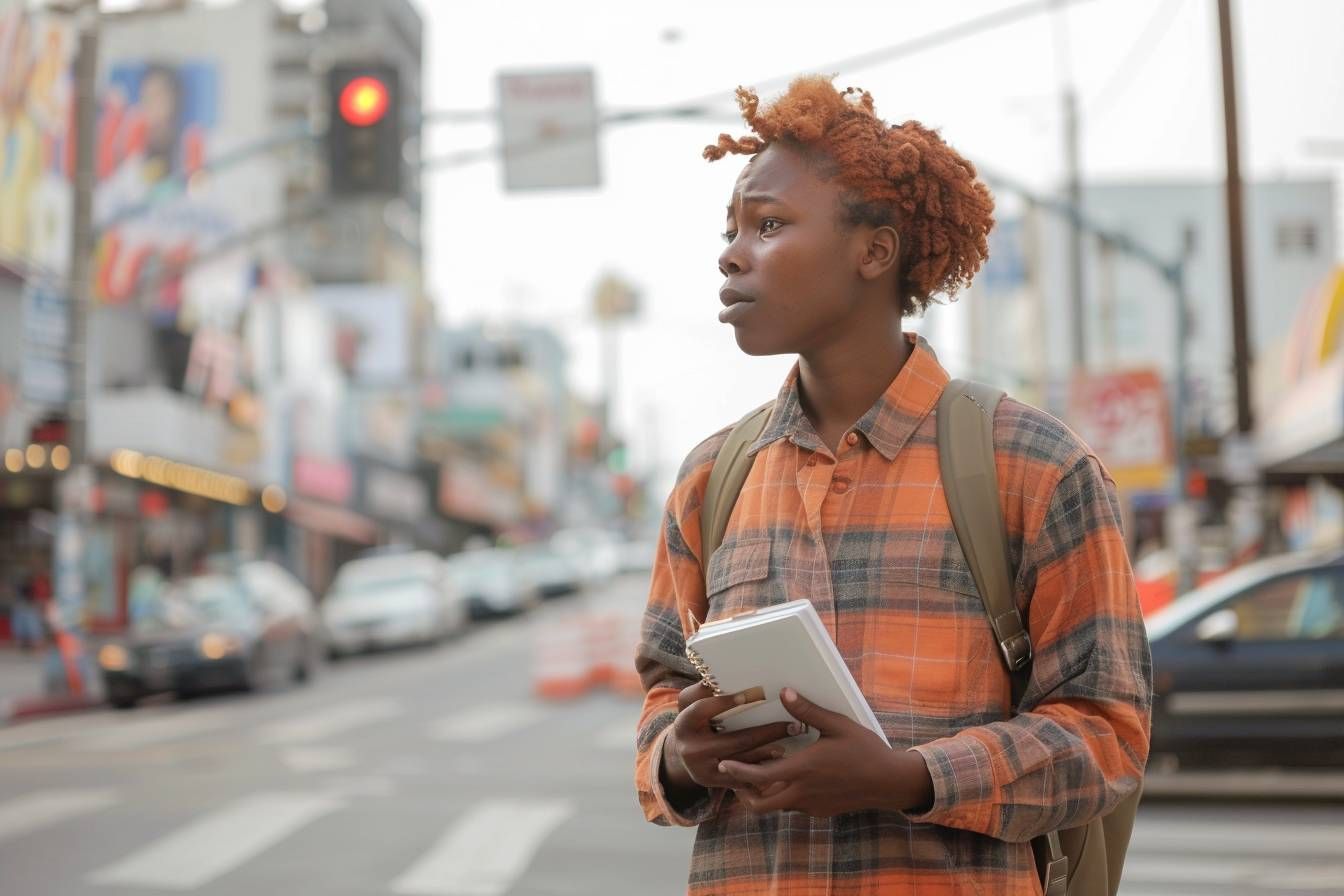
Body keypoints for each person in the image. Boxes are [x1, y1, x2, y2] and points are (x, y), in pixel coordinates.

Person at [633, 76, 1152, 895]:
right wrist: (681, 755)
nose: (731, 253)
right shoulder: (711, 480)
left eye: (769, 224)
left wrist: (909, 777)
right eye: (731, 228)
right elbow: (663, 691)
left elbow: (1108, 736)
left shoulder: (1034, 466)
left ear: (875, 252)